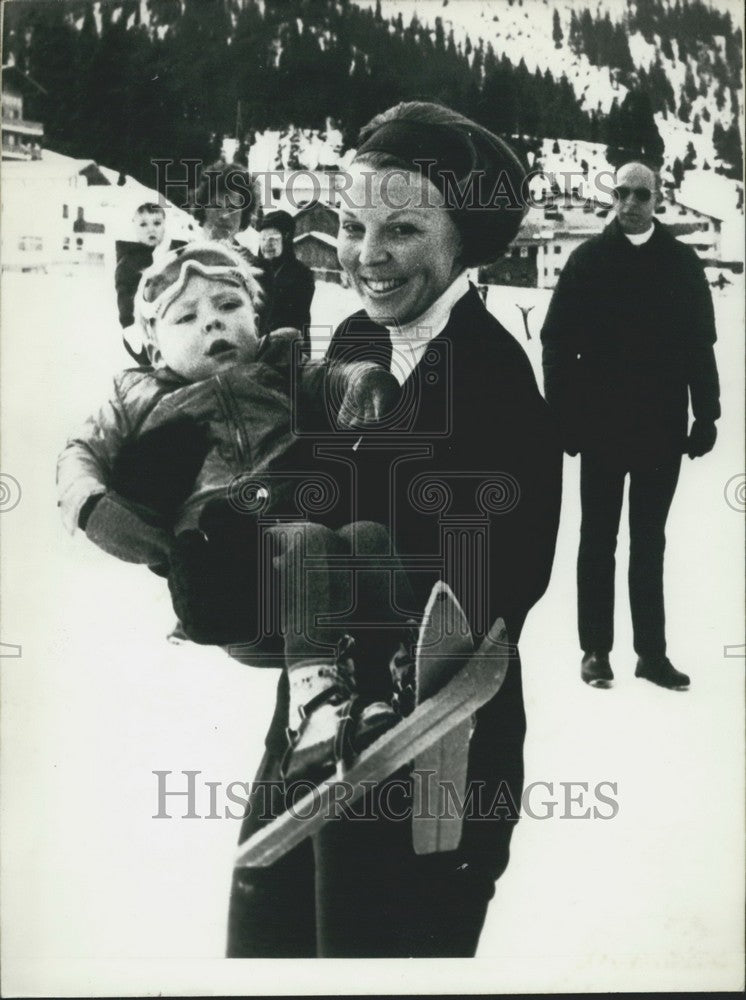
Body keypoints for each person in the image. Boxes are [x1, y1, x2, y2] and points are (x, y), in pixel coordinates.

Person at [223, 101, 563, 958]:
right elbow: (299, 500)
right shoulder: (347, 341)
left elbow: (505, 583)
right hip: (312, 724)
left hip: (430, 743)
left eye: (403, 229)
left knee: (378, 959)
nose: (366, 255)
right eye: (351, 223)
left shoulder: (493, 374)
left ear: (463, 241)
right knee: (269, 948)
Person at [57, 242, 413, 780]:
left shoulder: (278, 370)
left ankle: (392, 669)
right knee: (308, 540)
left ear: (256, 315)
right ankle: (313, 703)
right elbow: (83, 450)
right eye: (187, 317)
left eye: (228, 307)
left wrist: (359, 383)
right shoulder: (140, 397)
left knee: (366, 534)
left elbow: (330, 377)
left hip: (307, 566)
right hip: (226, 569)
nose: (212, 325)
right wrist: (89, 502)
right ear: (156, 350)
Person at [541, 160, 721, 691]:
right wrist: (563, 415)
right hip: (599, 427)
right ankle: (596, 649)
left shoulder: (682, 264)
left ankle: (652, 654)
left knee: (650, 541)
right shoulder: (588, 260)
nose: (630, 202)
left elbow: (700, 346)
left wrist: (706, 413)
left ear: (657, 198)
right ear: (612, 198)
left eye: (641, 193)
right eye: (621, 192)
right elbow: (555, 341)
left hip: (661, 428)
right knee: (597, 538)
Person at [114, 202, 185, 365]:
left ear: (164, 225)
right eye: (143, 224)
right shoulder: (128, 263)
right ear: (135, 227)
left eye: (157, 223)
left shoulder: (177, 251)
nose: (151, 229)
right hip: (145, 329)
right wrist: (129, 327)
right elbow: (124, 295)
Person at [254, 210, 316, 350]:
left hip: (287, 350)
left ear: (286, 239)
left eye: (273, 239)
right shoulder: (253, 272)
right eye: (263, 239)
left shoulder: (301, 275)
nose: (267, 244)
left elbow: (295, 322)